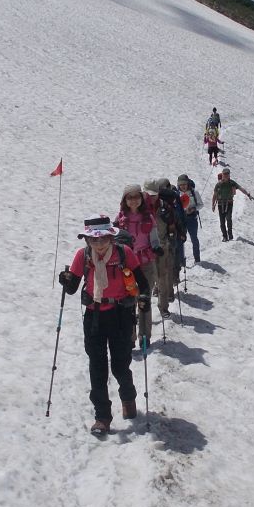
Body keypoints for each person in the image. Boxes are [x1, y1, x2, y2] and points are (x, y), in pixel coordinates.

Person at [59, 214, 151, 434]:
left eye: (102, 239)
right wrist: (66, 279)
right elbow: (72, 288)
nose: (98, 244)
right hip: (94, 317)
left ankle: (128, 396)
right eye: (93, 240)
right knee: (97, 367)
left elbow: (143, 283)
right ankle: (102, 417)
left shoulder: (124, 253)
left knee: (120, 365)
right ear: (87, 240)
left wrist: (144, 300)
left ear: (111, 237)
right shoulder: (83, 256)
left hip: (121, 314)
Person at [115, 184, 160, 344]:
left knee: (144, 299)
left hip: (146, 263)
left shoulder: (149, 217)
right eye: (130, 197)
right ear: (125, 200)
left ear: (142, 198)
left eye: (136, 196)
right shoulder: (120, 220)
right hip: (127, 266)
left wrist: (157, 247)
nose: (133, 200)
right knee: (128, 302)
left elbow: (154, 238)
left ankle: (145, 336)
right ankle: (130, 335)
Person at [144, 179, 178, 318]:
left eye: (154, 194)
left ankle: (163, 307)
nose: (152, 197)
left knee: (162, 278)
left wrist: (171, 240)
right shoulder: (139, 208)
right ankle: (142, 311)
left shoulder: (165, 207)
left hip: (162, 247)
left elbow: (172, 226)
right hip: (144, 250)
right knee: (145, 282)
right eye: (149, 194)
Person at [211, 167, 254, 242]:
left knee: (228, 219)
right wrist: (213, 204)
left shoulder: (232, 183)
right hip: (221, 204)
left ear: (229, 175)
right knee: (222, 221)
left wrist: (248, 194)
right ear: (223, 175)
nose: (226, 175)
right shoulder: (219, 184)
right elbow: (215, 195)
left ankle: (230, 235)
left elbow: (241, 189)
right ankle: (225, 236)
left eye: (227, 174)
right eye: (225, 174)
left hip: (229, 203)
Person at [176, 174, 201, 264]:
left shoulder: (194, 193)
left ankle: (197, 259)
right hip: (181, 221)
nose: (183, 186)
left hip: (192, 219)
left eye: (184, 184)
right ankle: (181, 261)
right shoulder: (177, 194)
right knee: (181, 240)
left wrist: (194, 209)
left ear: (188, 184)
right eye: (181, 184)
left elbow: (200, 205)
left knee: (194, 238)